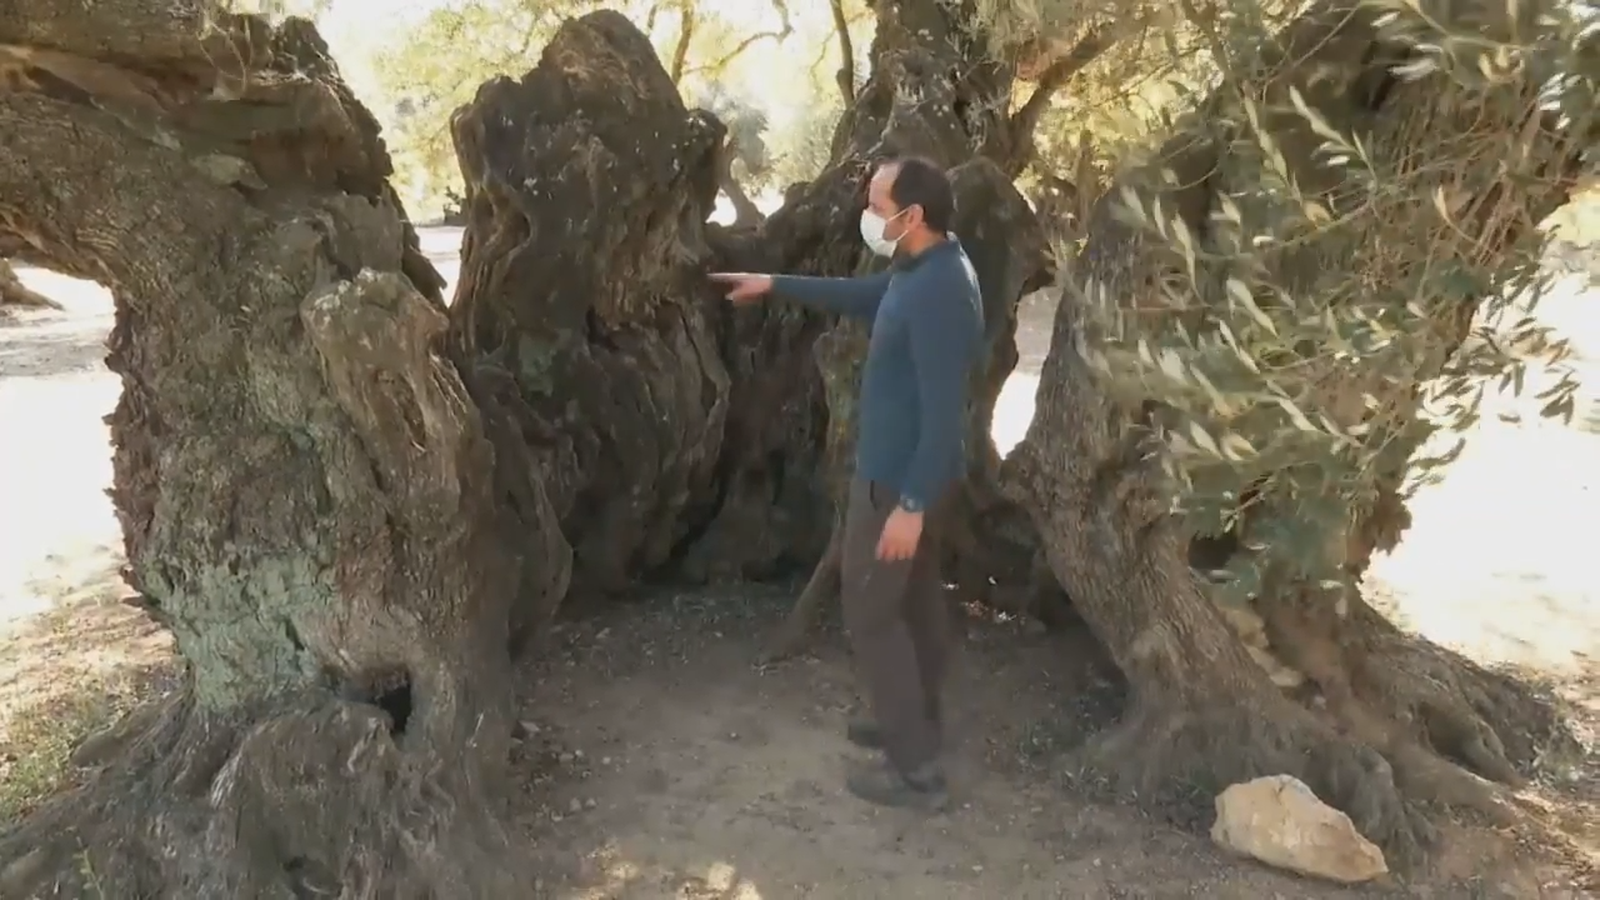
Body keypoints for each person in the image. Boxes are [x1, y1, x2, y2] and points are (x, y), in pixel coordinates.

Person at [709, 156, 982, 811]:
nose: (868, 213)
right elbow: (867, 298)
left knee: (870, 614)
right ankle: (915, 720)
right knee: (915, 604)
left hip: (898, 485)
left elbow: (948, 413)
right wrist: (774, 283)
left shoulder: (943, 291)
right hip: (903, 479)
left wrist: (910, 506)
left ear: (912, 216)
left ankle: (915, 770)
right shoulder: (921, 267)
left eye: (877, 203)